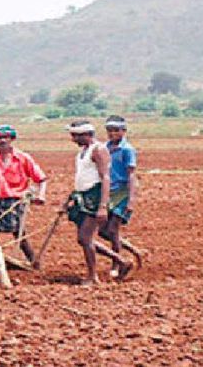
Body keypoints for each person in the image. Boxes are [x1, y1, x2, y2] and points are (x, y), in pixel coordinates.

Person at [0, 124, 47, 271]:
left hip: (16, 201)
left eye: (5, 137)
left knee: (18, 232)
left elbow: (41, 179)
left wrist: (40, 195)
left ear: (11, 139)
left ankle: (34, 263)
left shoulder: (23, 158)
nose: (2, 140)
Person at [61, 120, 112, 285]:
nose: (73, 139)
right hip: (83, 196)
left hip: (94, 197)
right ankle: (122, 261)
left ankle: (92, 276)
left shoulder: (98, 150)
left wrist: (103, 206)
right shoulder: (83, 152)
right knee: (84, 239)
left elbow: (105, 177)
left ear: (86, 135)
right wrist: (69, 199)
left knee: (85, 238)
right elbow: (83, 178)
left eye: (75, 136)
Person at [102, 115, 137, 280]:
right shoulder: (105, 148)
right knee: (103, 230)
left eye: (116, 130)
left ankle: (116, 263)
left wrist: (131, 199)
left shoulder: (127, 150)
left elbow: (131, 175)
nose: (112, 134)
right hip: (109, 191)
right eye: (109, 131)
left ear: (124, 131)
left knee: (112, 229)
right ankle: (128, 248)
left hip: (122, 191)